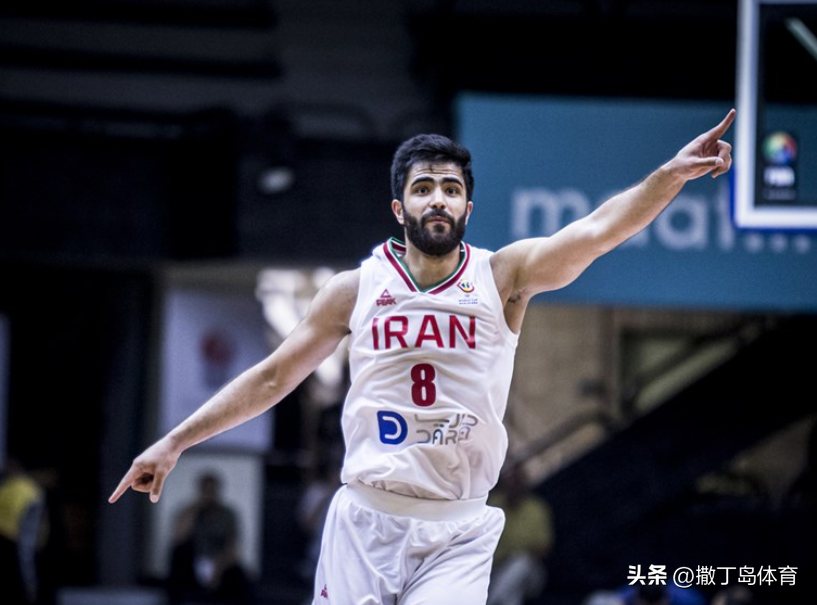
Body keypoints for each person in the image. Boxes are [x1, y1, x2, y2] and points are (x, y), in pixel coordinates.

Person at [109, 109, 735, 605]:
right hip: (365, 519)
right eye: (424, 187)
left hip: (457, 528)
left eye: (452, 188)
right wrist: (175, 443)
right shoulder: (353, 290)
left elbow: (598, 232)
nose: (438, 198)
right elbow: (273, 377)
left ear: (468, 207)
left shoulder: (502, 276)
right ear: (399, 207)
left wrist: (670, 176)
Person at [167, 471, 253, 604]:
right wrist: (197, 509)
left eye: (212, 490)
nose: (209, 494)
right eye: (206, 490)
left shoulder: (227, 514)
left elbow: (233, 546)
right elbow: (178, 537)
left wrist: (218, 568)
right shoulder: (188, 511)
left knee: (241, 578)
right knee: (177, 555)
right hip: (193, 562)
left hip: (218, 562)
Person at [486, 462, 553, 605]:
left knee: (520, 564)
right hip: (494, 571)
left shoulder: (537, 509)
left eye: (516, 481)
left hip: (530, 574)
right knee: (510, 592)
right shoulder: (494, 506)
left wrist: (512, 555)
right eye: (508, 481)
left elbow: (543, 549)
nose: (512, 486)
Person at [0, 457, 48, 605]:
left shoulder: (18, 488)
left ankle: (29, 597)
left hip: (15, 536)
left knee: (24, 567)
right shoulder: (29, 487)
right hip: (22, 537)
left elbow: (23, 516)